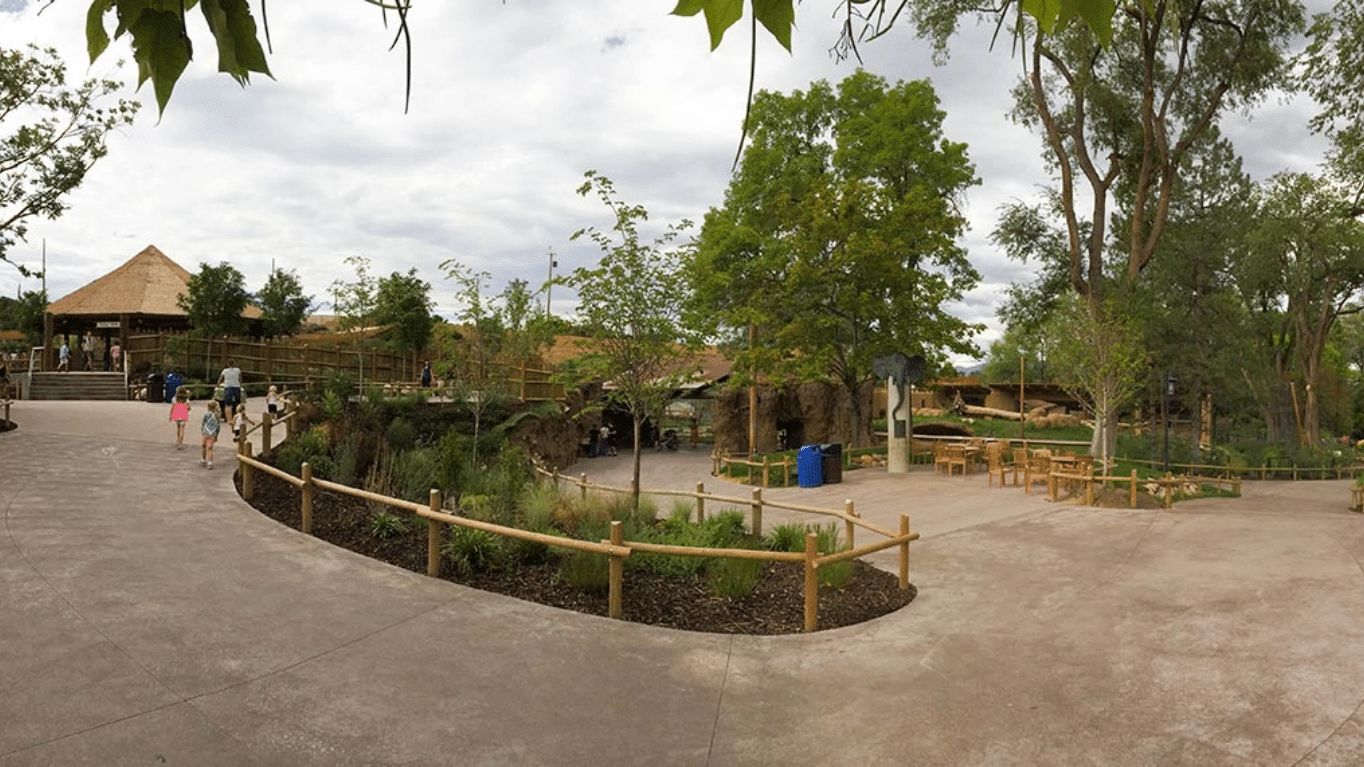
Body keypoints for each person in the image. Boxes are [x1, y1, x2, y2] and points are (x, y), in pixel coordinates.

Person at [200, 400, 222, 469]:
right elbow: (218, 426)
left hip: (206, 433)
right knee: (210, 448)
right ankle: (210, 462)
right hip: (213, 433)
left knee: (203, 445)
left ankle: (203, 460)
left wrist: (202, 430)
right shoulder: (217, 416)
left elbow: (203, 423)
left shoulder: (206, 414)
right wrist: (217, 434)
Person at [168, 386, 191, 450]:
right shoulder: (186, 400)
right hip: (184, 415)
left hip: (177, 415)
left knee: (178, 429)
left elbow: (172, 408)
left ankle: (178, 441)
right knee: (182, 429)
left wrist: (170, 416)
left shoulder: (175, 399)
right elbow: (189, 408)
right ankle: (181, 442)